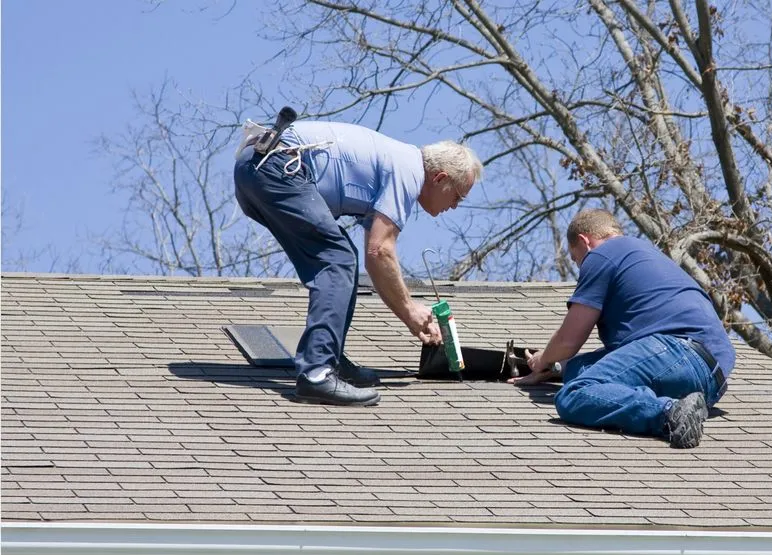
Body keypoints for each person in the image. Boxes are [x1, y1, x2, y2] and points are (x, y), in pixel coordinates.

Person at [234, 119, 482, 407]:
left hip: (255, 168)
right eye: (458, 197)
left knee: (342, 259)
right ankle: (317, 373)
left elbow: (374, 258)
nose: (454, 206)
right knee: (337, 259)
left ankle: (330, 359)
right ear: (439, 179)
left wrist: (408, 313)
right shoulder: (409, 171)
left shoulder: (395, 161)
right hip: (278, 167)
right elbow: (380, 251)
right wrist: (411, 311)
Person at [508, 209, 734, 448]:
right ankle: (681, 406)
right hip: (709, 380)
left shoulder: (602, 254)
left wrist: (542, 359)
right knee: (577, 370)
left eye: (577, 260)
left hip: (676, 350)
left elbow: (569, 341)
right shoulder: (643, 254)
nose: (580, 268)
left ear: (585, 241)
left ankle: (669, 412)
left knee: (574, 394)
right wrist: (556, 367)